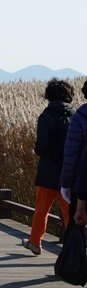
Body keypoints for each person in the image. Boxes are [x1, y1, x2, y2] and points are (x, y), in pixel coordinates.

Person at [22, 79, 75, 255]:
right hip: (69, 172)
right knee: (70, 214)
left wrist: (39, 150)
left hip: (48, 171)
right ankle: (73, 248)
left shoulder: (46, 116)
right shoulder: (75, 115)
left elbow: (42, 146)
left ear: (48, 96)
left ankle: (35, 243)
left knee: (41, 210)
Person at [60, 80, 87, 243]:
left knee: (75, 229)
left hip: (81, 186)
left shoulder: (80, 117)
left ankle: (74, 267)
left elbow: (71, 154)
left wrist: (66, 184)